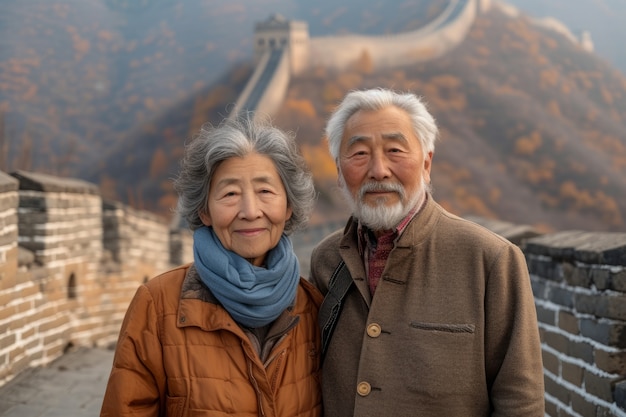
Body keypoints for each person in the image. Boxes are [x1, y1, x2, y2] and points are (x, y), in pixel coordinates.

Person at [310, 88, 545, 416]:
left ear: (426, 162)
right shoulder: (326, 260)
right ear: (338, 170)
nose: (378, 170)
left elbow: (520, 402)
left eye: (394, 150)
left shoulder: (489, 259)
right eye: (360, 153)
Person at [100, 116, 322, 416]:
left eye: (265, 191)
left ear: (289, 206)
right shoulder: (157, 306)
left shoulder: (315, 308)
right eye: (230, 194)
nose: (250, 211)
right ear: (204, 210)